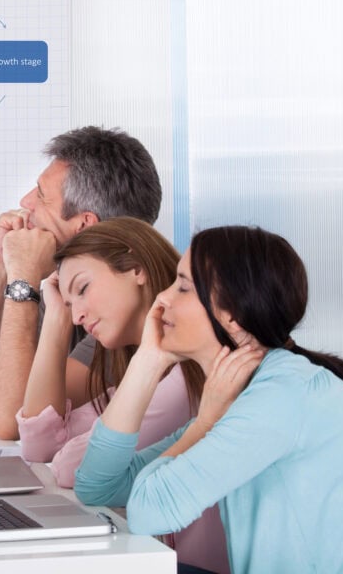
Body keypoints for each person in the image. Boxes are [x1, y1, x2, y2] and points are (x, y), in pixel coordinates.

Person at [75, 226, 343, 574]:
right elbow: (98, 487)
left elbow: (147, 511)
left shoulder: (281, 395)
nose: (162, 299)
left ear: (233, 314)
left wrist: (205, 425)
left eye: (184, 287)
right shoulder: (243, 395)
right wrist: (147, 361)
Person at [18, 217, 228, 574]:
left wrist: (76, 444)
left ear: (135, 269)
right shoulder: (145, 368)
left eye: (82, 289)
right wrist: (56, 317)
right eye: (70, 305)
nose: (78, 314)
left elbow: (73, 468)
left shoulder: (189, 375)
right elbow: (39, 448)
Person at [0, 126, 163, 439]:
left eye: (42, 196)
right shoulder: (62, 281)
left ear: (85, 225)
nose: (25, 201)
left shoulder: (129, 305)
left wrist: (22, 278)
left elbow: (14, 422)